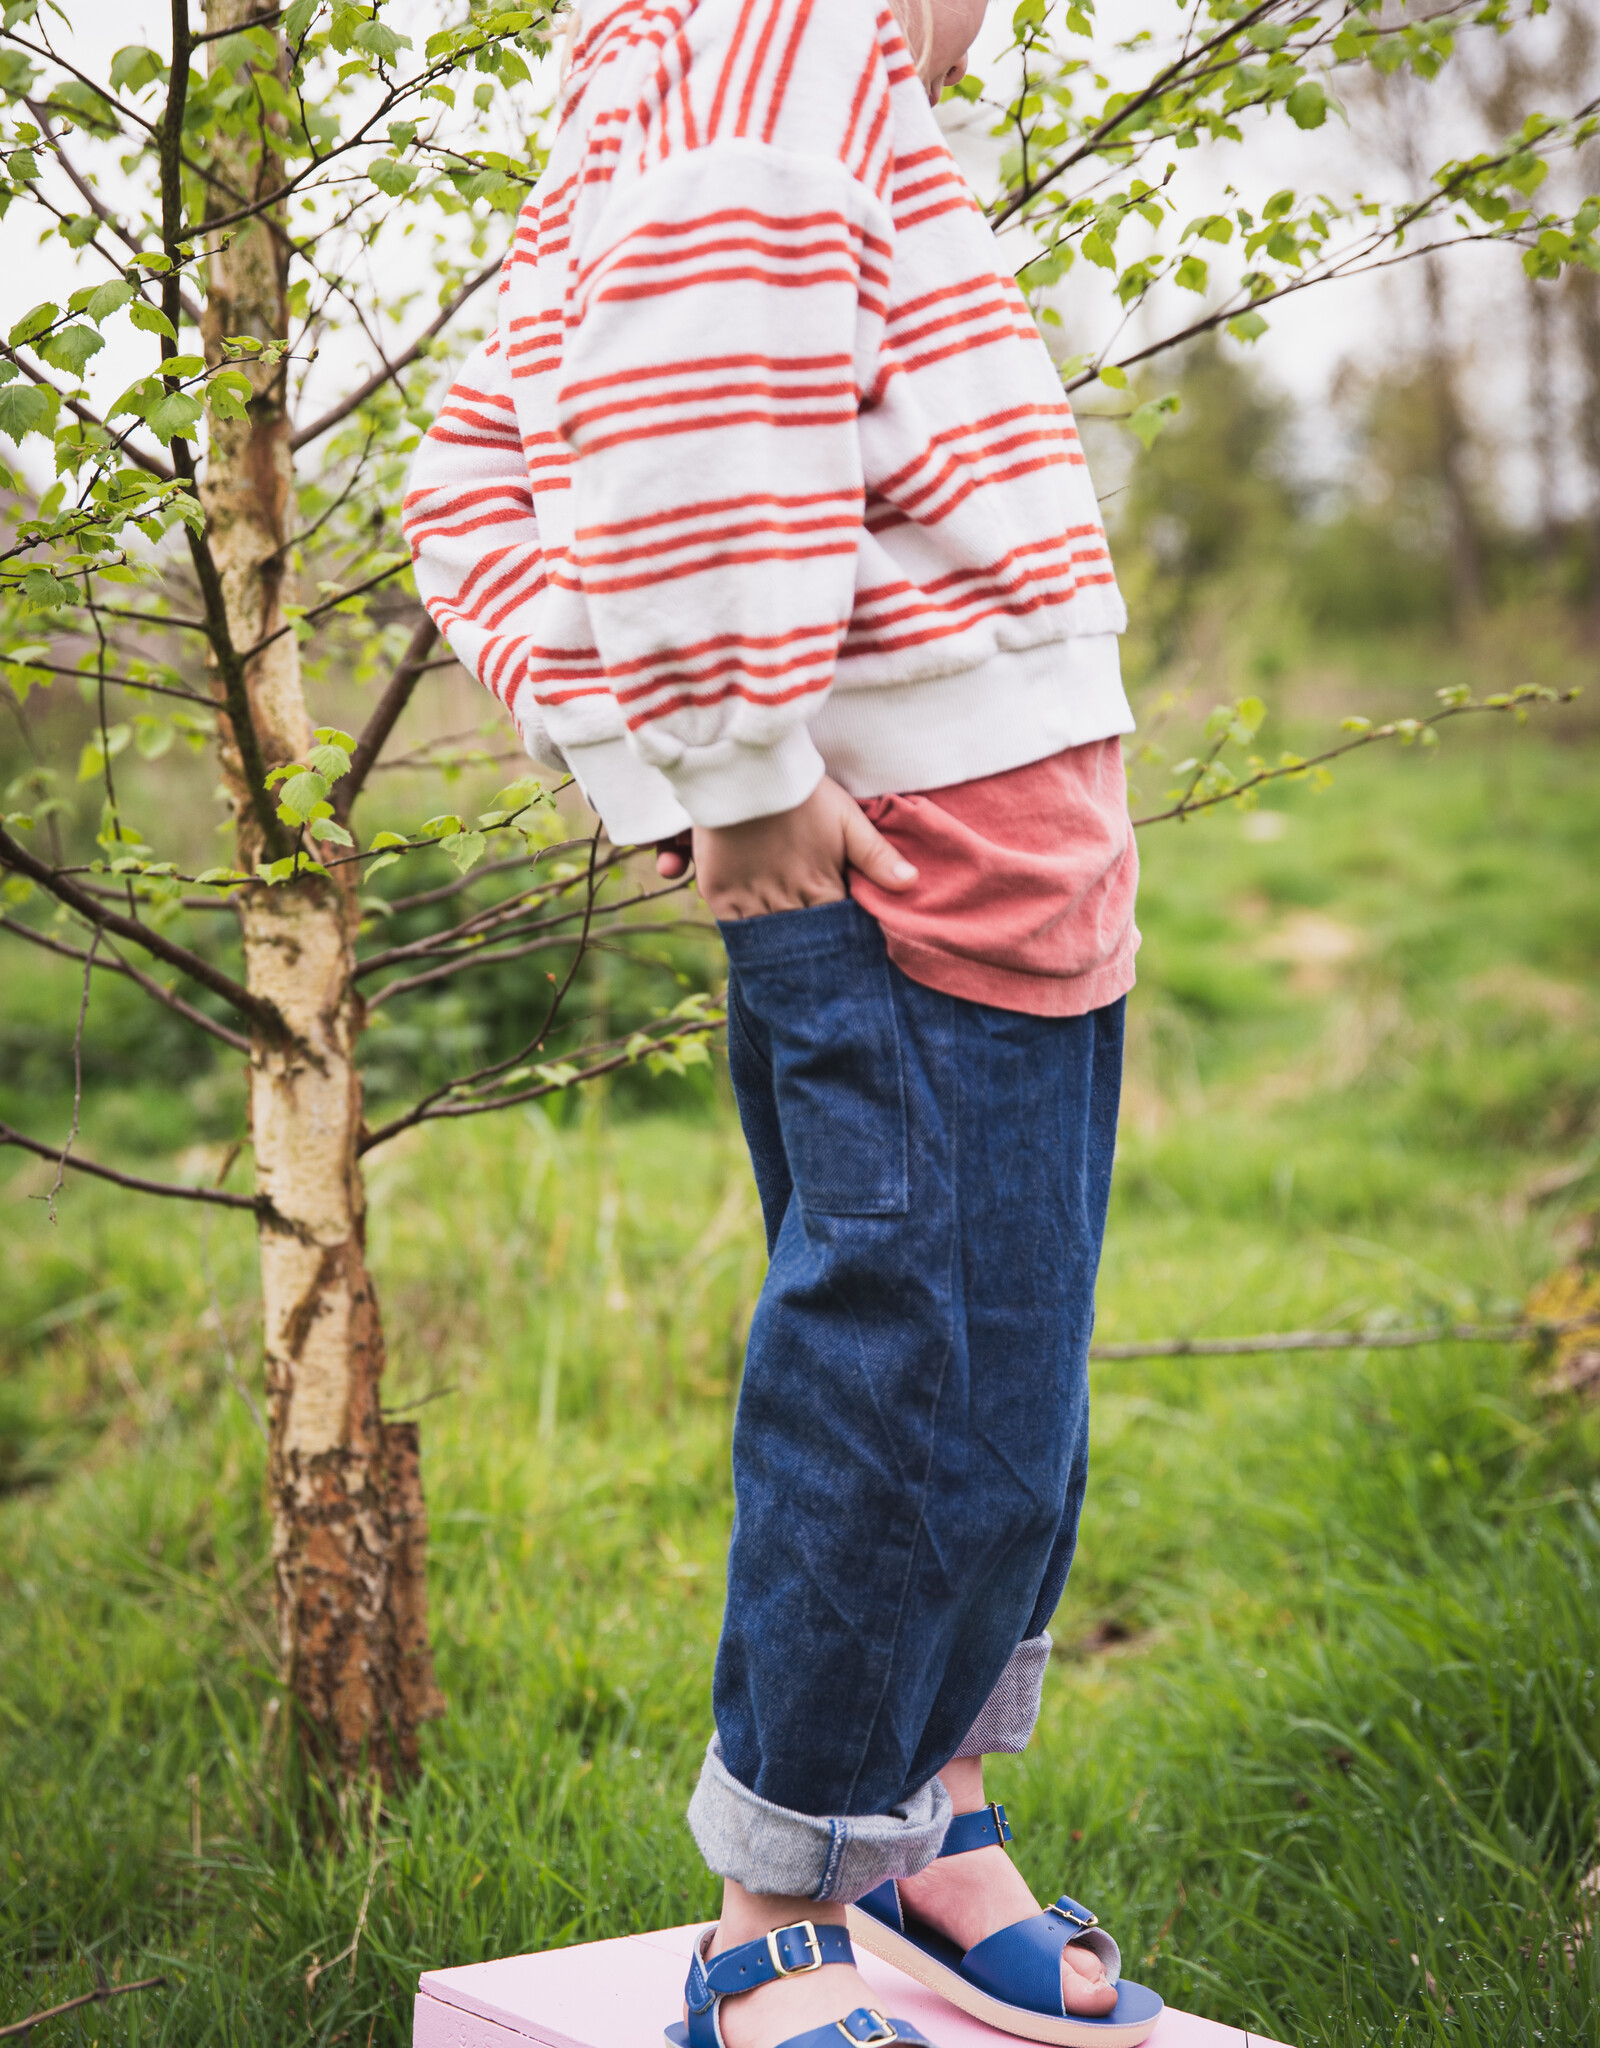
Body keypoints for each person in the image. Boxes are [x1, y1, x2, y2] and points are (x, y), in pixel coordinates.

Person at [403, 0, 1163, 2042]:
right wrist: (721, 766)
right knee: (894, 1376)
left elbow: (468, 458)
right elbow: (655, 420)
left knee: (1011, 1380)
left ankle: (921, 1817)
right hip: (898, 852)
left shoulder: (782, 74)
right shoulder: (768, 39)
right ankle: (775, 1897)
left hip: (1020, 833)